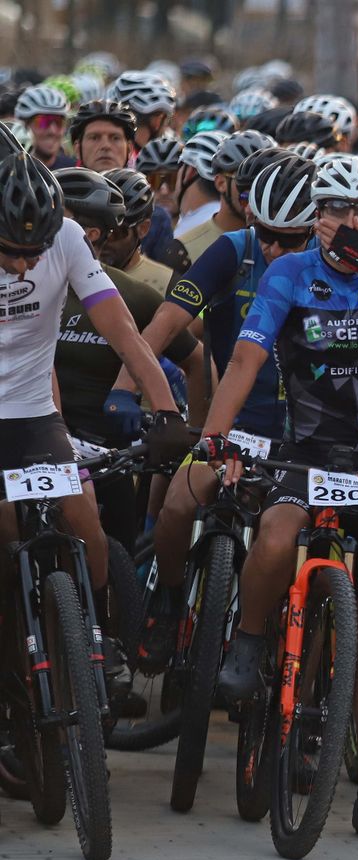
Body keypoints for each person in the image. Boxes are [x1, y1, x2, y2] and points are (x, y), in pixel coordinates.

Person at [208, 154, 358, 841]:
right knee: (275, 535)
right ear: (317, 216)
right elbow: (246, 358)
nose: (350, 222)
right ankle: (249, 642)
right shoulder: (287, 273)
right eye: (336, 209)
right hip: (310, 454)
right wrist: (216, 439)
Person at [0, 150, 190, 686]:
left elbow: (124, 331)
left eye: (33, 252)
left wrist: (168, 411)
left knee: (85, 516)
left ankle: (98, 639)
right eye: (10, 253)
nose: (24, 266)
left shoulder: (66, 239)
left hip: (33, 412)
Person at [121, 154, 312, 672]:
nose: (273, 249)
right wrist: (124, 385)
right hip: (238, 425)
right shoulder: (235, 249)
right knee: (179, 507)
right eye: (263, 233)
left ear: (315, 230)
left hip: (300, 436)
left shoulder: (328, 264)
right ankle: (168, 601)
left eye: (289, 240)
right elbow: (168, 318)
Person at [53, 167, 206, 551]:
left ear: (89, 235)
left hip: (107, 451)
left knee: (113, 559)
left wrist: (191, 432)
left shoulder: (132, 295)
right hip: (39, 432)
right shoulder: (25, 281)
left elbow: (196, 361)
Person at [177, 129, 271, 262]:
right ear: (220, 182)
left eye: (264, 182)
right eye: (244, 182)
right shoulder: (184, 249)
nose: (255, 191)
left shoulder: (280, 245)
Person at [100, 168, 178, 296]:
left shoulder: (168, 285)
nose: (100, 241)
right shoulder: (72, 274)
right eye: (94, 231)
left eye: (114, 233)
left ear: (143, 229)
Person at [16, 84, 76, 169]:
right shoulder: (11, 173)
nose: (52, 131)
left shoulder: (74, 170)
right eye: (43, 122)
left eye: (58, 122)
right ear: (25, 126)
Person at [69, 99, 136, 173]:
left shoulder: (146, 183)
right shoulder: (62, 183)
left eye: (115, 138)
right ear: (77, 149)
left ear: (129, 149)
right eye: (94, 138)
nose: (105, 146)